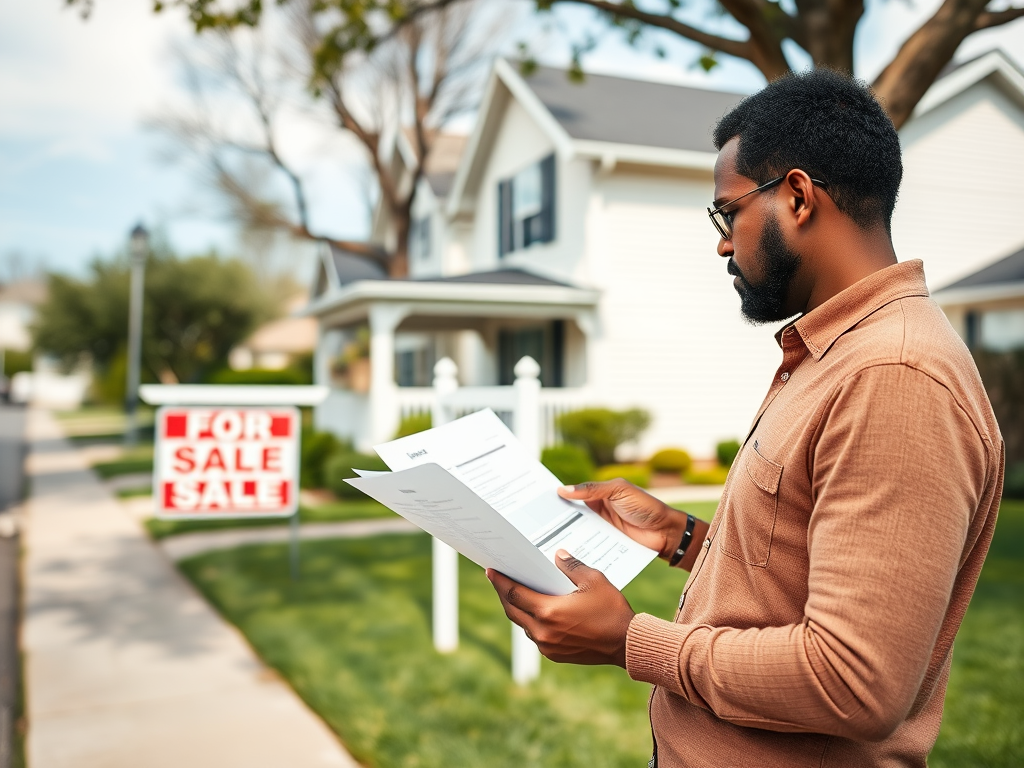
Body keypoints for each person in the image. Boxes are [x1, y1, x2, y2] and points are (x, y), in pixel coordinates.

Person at [486, 68, 1003, 768]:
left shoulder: (894, 376)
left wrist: (629, 641)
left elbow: (855, 681)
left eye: (727, 213)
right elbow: (800, 568)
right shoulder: (832, 352)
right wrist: (679, 536)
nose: (724, 244)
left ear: (796, 196)